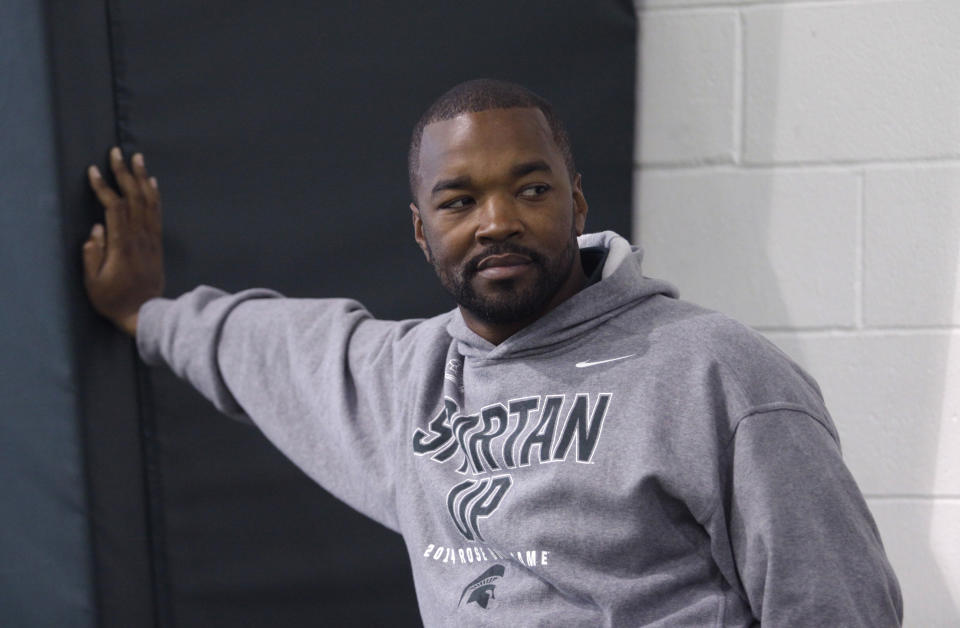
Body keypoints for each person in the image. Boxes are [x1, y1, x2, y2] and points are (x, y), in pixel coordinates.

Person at [82, 79, 903, 626]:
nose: (497, 220)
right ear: (422, 230)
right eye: (460, 199)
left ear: (575, 201)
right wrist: (143, 312)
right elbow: (264, 348)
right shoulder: (406, 381)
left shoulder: (714, 372)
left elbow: (838, 607)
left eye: (531, 188)